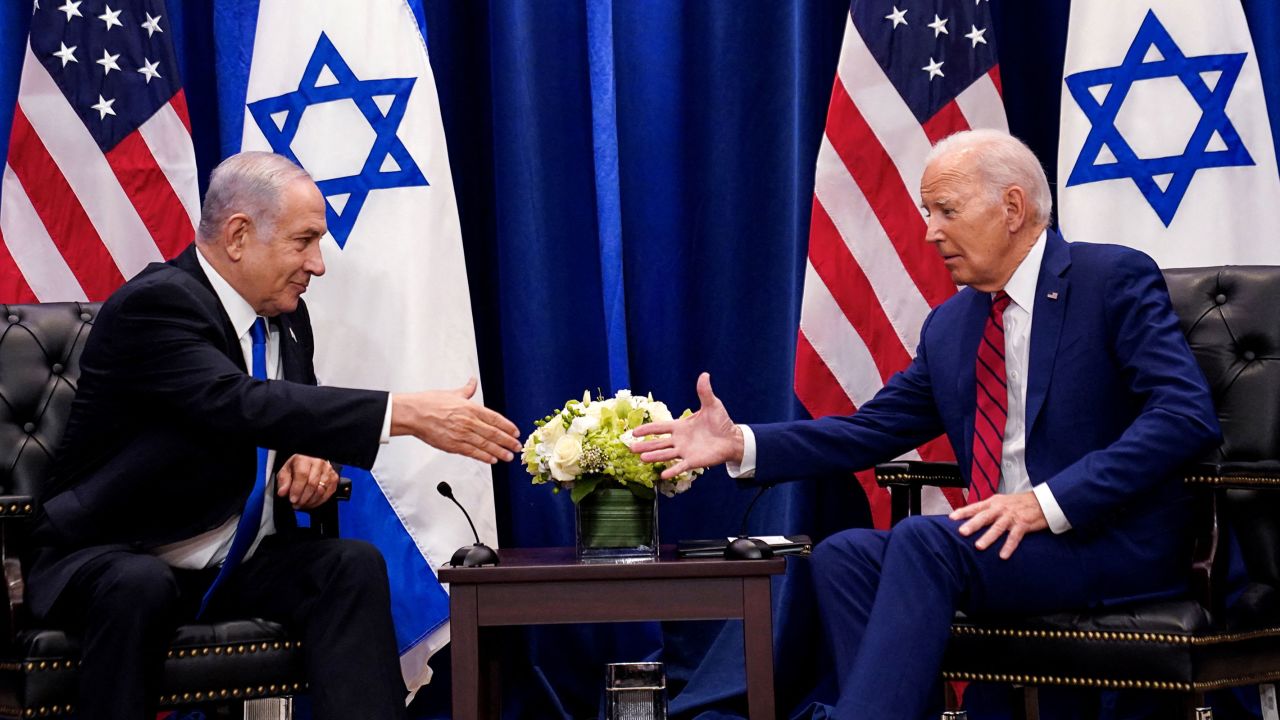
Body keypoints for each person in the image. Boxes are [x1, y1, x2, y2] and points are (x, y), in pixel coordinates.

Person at [631, 129, 1222, 718]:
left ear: (1012, 207)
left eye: (946, 210)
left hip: (1105, 540)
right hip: (1004, 547)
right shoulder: (951, 327)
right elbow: (869, 431)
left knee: (920, 539)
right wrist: (741, 443)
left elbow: (1183, 416)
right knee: (844, 557)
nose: (930, 231)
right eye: (926, 211)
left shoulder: (1110, 280)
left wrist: (1046, 502)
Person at [26, 151, 524, 720]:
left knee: (349, 565)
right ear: (239, 235)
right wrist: (403, 412)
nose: (318, 264)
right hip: (114, 554)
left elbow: (285, 414)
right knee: (139, 584)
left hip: (229, 562)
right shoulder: (157, 304)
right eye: (304, 240)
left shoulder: (286, 315)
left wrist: (307, 451)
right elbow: (231, 401)